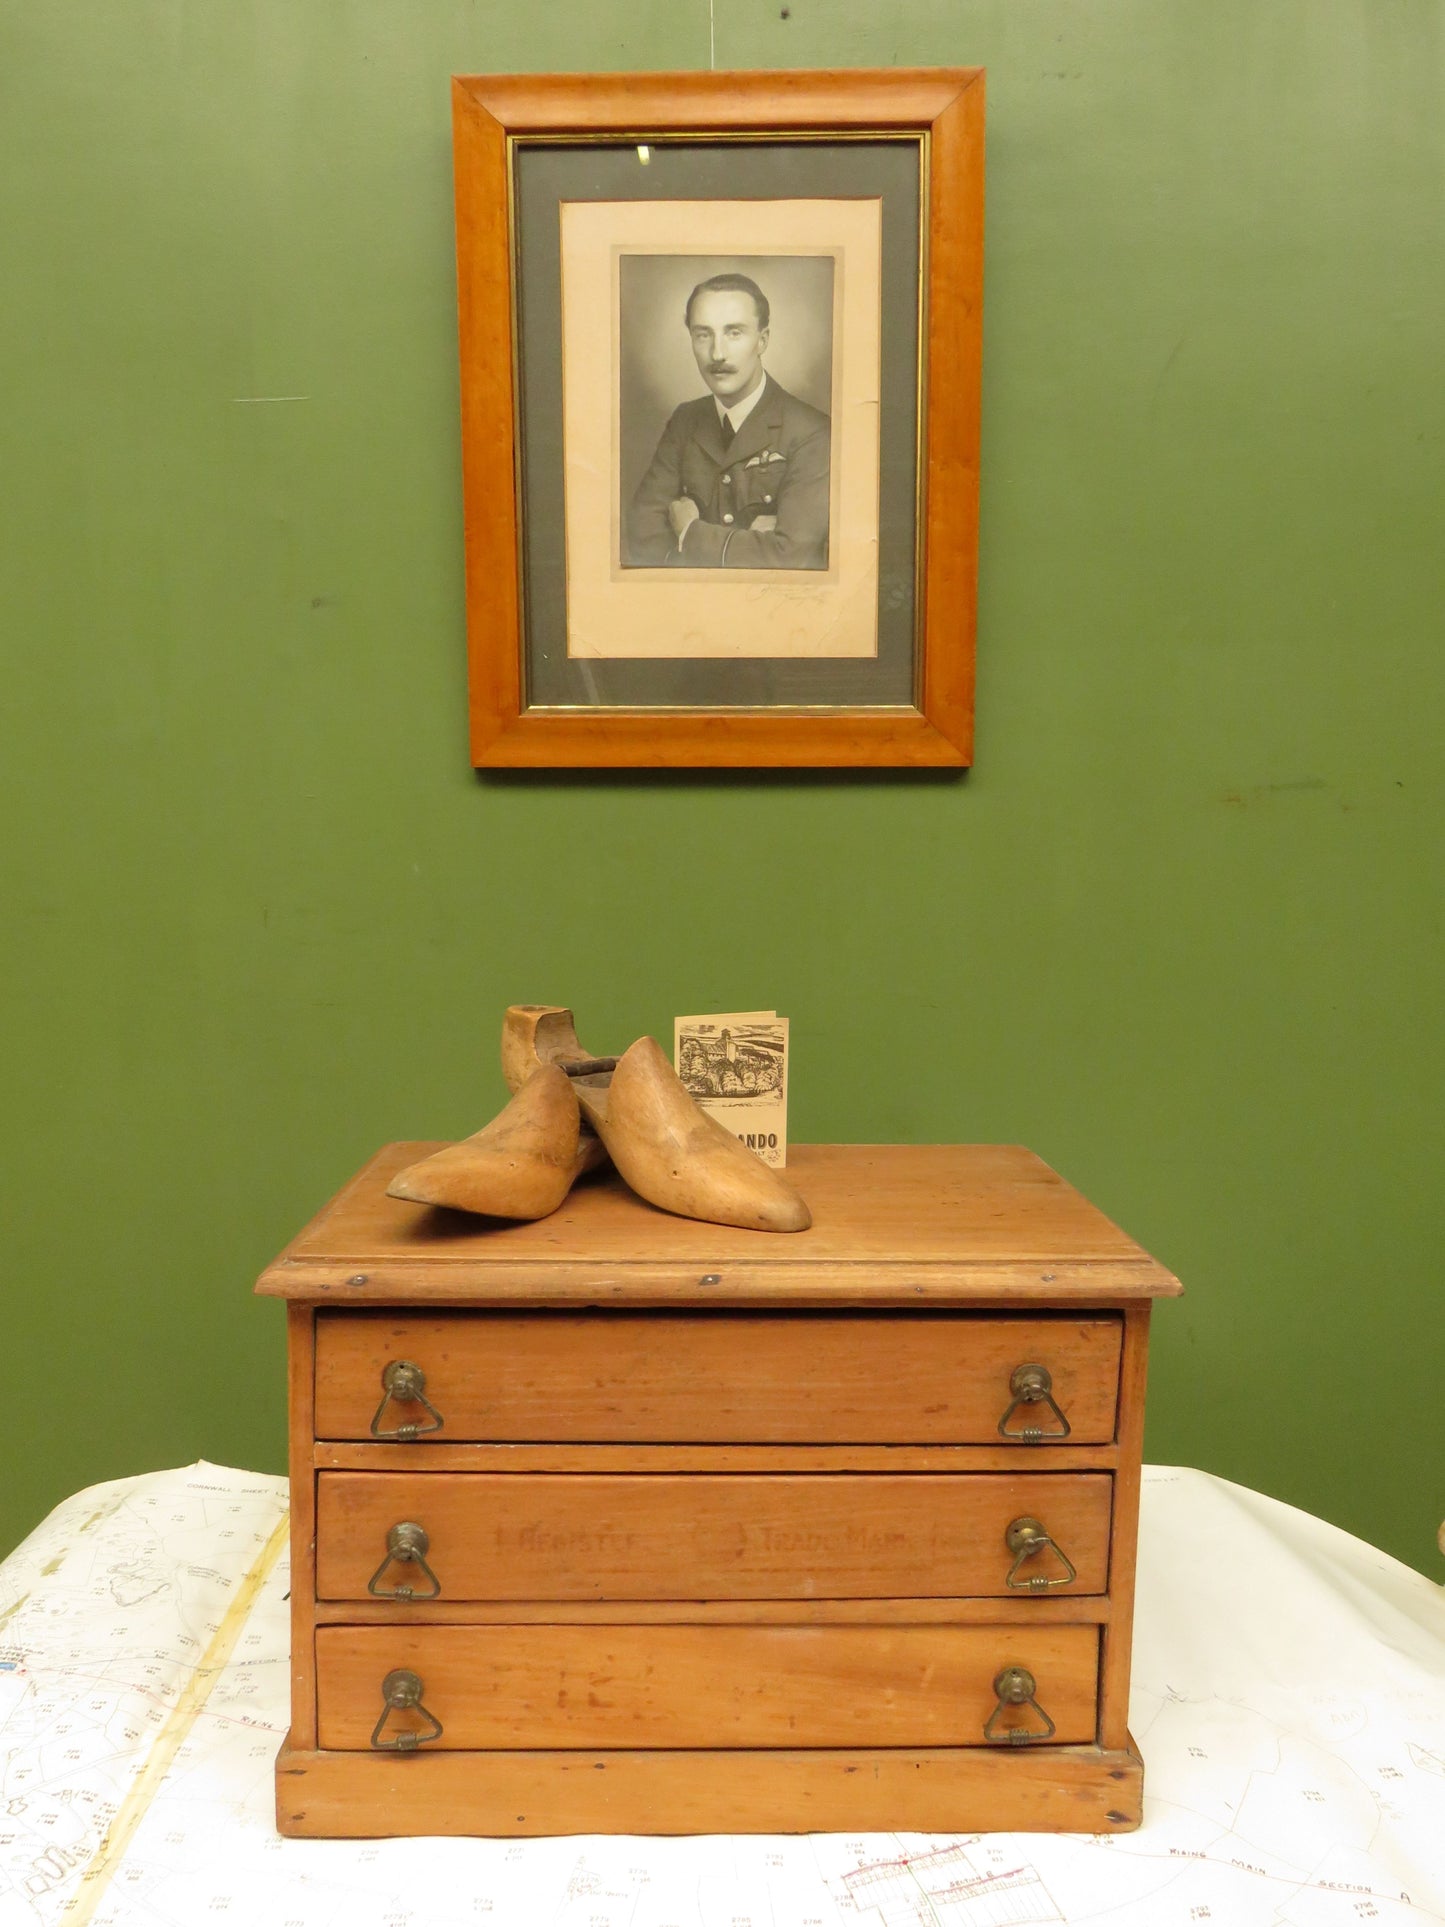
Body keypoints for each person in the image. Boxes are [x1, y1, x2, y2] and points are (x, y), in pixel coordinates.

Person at [626, 272, 831, 569]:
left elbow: (789, 557)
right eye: (703, 334)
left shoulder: (812, 432)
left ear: (762, 340)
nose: (717, 353)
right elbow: (642, 536)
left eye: (734, 333)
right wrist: (751, 544)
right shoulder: (686, 420)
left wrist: (690, 532)